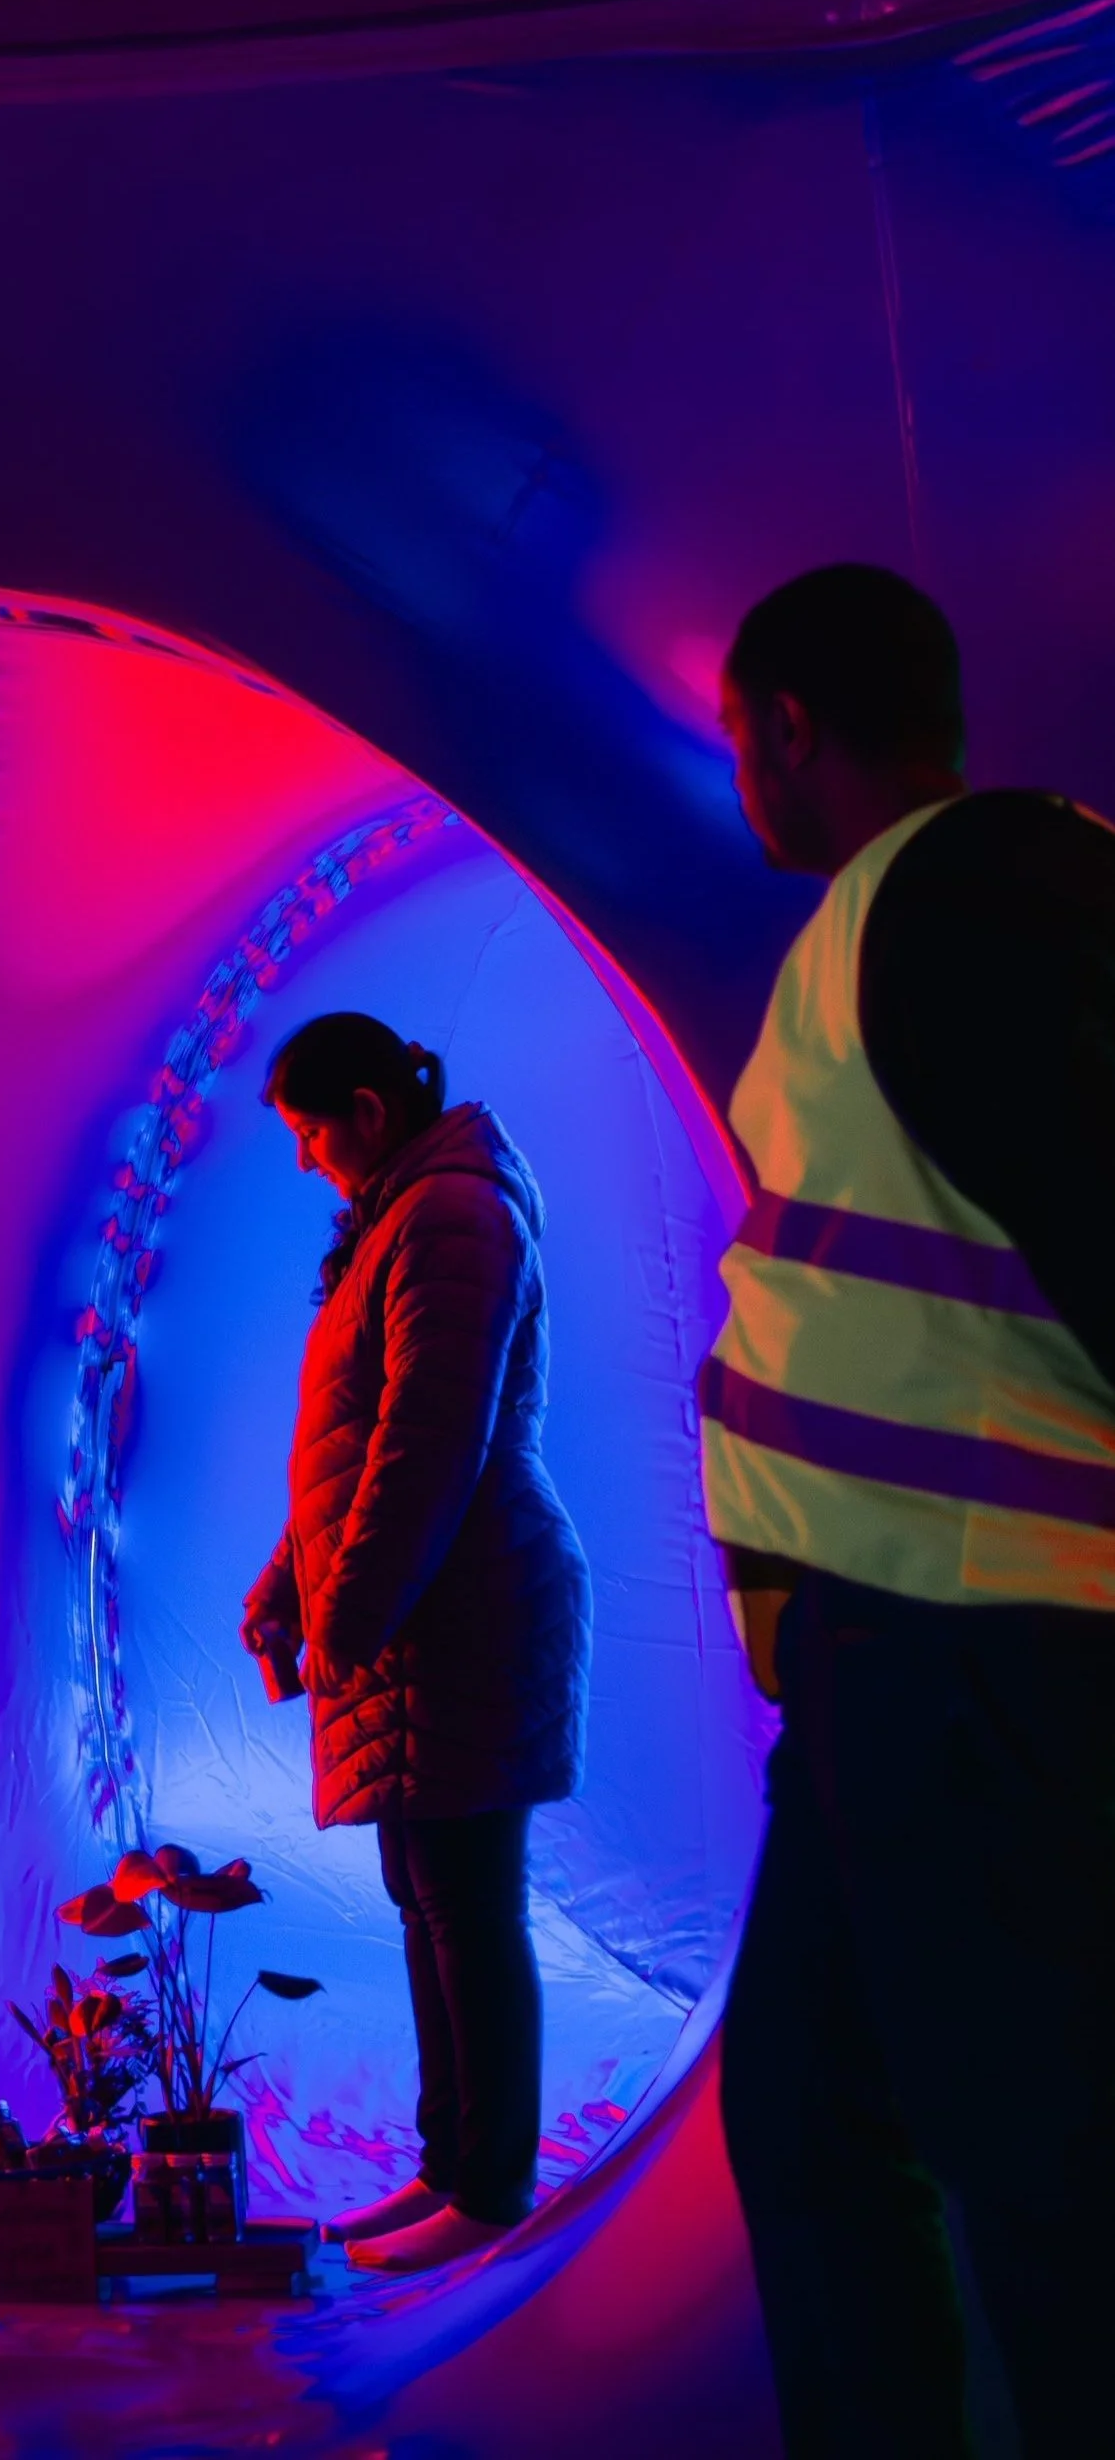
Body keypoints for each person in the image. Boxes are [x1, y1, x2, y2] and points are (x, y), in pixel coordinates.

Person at [705, 563, 1115, 2460]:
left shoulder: (961, 901)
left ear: (786, 726)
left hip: (976, 1655)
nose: (738, 780)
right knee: (807, 2118)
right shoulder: (930, 908)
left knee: (1036, 2179)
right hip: (891, 1662)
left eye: (737, 740)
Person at [242, 1013, 590, 2276]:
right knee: (424, 1897)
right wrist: (290, 1580)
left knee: (466, 1901)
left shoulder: (451, 1217)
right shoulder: (405, 1220)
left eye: (311, 1128)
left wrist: (343, 1611)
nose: (305, 1159)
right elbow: (351, 1448)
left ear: (371, 1111)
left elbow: (428, 1447)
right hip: (421, 1609)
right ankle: (453, 2163)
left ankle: (491, 2187)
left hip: (467, 1603)